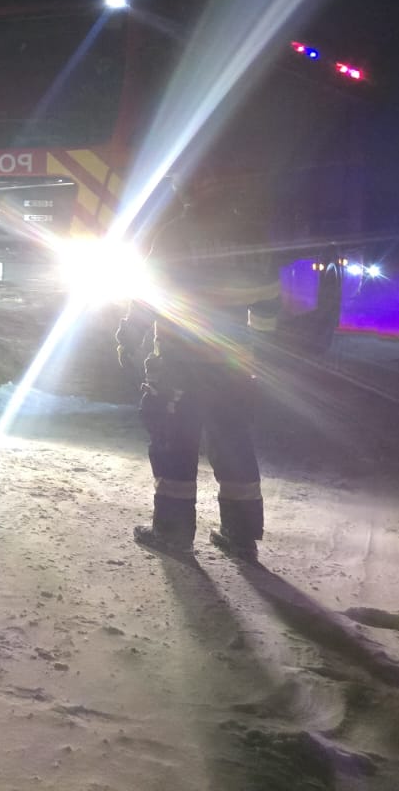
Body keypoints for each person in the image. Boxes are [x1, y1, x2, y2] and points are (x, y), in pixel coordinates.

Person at [116, 172, 283, 561]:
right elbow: (267, 304)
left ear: (189, 191)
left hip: (180, 362)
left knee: (174, 443)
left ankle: (172, 533)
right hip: (230, 363)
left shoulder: (176, 233)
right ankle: (241, 537)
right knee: (234, 442)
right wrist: (258, 352)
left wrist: (128, 337)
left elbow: (149, 295)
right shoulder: (251, 236)